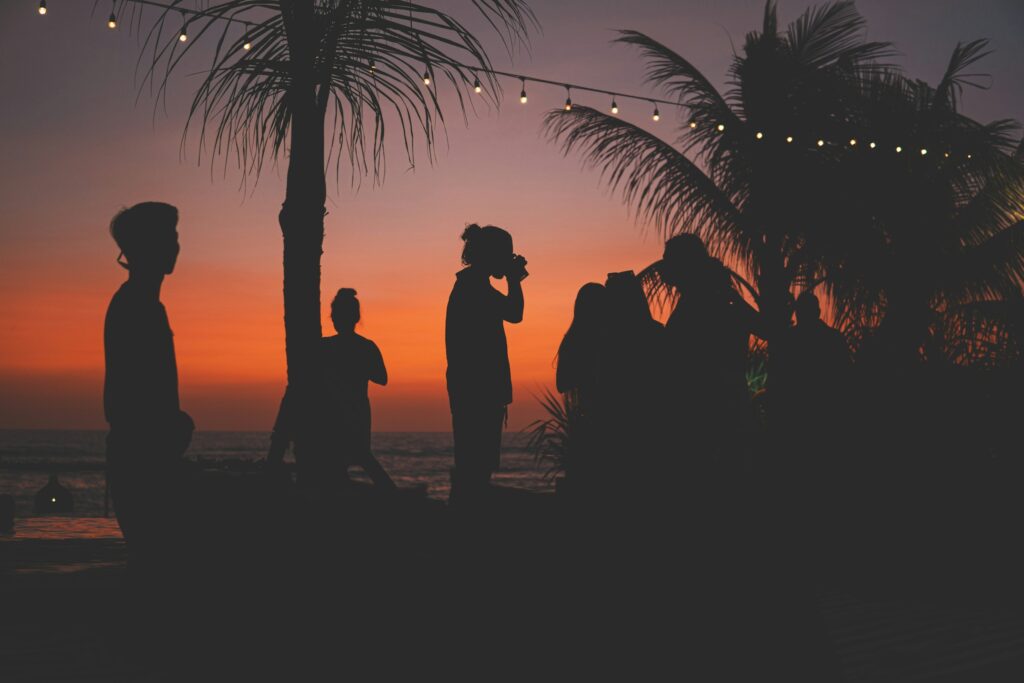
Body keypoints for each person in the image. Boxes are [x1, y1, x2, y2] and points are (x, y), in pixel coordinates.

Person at [103, 202, 194, 549]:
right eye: (168, 237)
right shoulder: (136, 307)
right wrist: (170, 428)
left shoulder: (144, 305)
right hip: (142, 463)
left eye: (175, 237)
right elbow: (121, 401)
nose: (175, 246)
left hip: (143, 458)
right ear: (145, 246)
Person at [445, 224, 527, 504]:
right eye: (506, 254)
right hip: (478, 393)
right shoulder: (474, 289)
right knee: (475, 470)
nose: (509, 259)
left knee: (472, 468)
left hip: (472, 391)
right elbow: (515, 313)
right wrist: (514, 281)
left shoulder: (471, 286)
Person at [555, 283, 608, 488]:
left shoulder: (573, 340)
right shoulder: (600, 339)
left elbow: (561, 383)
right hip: (595, 418)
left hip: (586, 418)